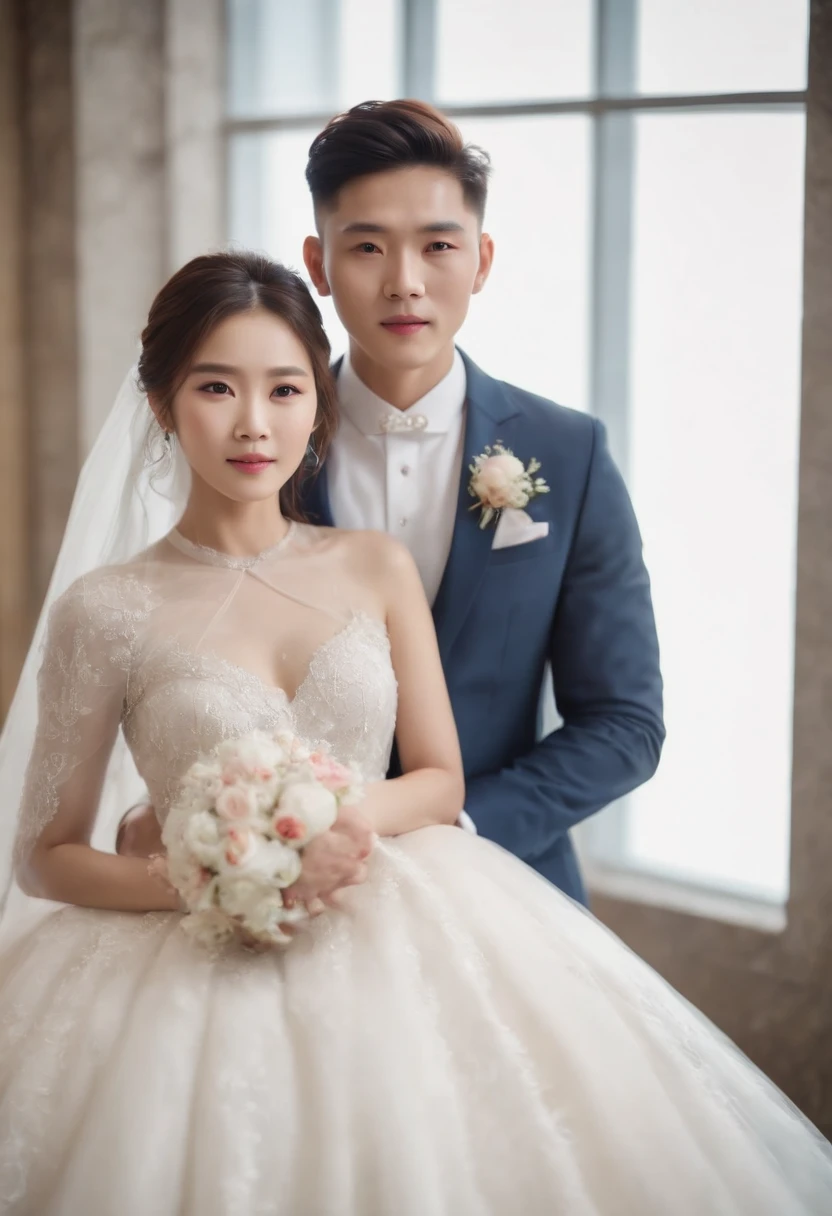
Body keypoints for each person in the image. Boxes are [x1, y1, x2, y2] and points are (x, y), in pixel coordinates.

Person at [0, 250, 830, 1216]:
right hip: (184, 959)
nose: (253, 423)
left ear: (320, 404)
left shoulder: (373, 566)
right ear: (162, 405)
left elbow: (439, 779)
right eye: (216, 387)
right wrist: (214, 872)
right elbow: (46, 855)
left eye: (285, 388)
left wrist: (309, 830)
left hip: (406, 922)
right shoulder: (106, 610)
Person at [119, 99, 666, 905]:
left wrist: (461, 829)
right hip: (276, 895)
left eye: (438, 246)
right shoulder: (251, 444)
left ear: (480, 260)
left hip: (505, 888)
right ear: (318, 262)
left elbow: (625, 723)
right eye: (367, 246)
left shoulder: (569, 454)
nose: (404, 282)